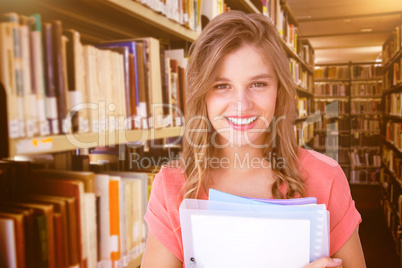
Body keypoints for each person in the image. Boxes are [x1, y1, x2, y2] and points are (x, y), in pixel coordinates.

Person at [141, 10, 366, 268]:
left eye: (258, 84)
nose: (241, 105)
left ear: (279, 90)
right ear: (201, 94)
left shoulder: (326, 177)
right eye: (222, 85)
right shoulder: (172, 185)